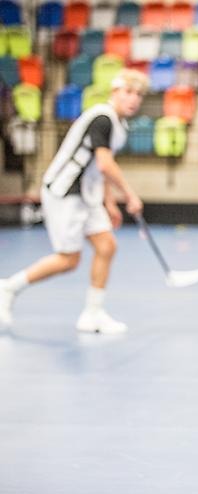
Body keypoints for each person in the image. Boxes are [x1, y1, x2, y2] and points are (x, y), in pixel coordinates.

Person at [0, 69, 148, 334]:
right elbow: (105, 164)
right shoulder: (102, 119)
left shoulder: (117, 125)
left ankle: (93, 314)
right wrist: (130, 195)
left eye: (139, 94)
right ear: (115, 92)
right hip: (65, 192)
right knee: (69, 260)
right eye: (128, 92)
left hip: (87, 195)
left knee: (106, 246)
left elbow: (97, 167)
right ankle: (8, 287)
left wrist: (110, 202)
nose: (134, 99)